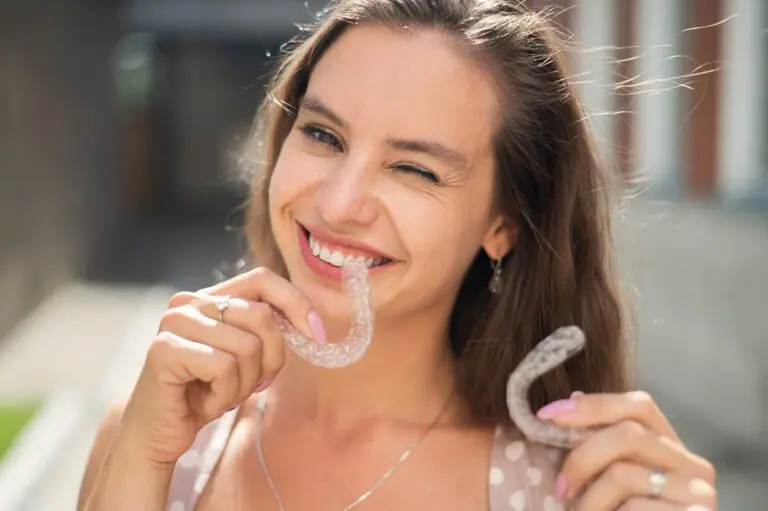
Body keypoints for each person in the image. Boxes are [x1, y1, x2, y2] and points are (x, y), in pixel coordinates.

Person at [78, 1, 717, 510]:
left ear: (505, 225)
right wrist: (141, 460)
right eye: (323, 134)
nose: (339, 201)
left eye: (414, 169)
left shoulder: (567, 491)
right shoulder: (157, 440)